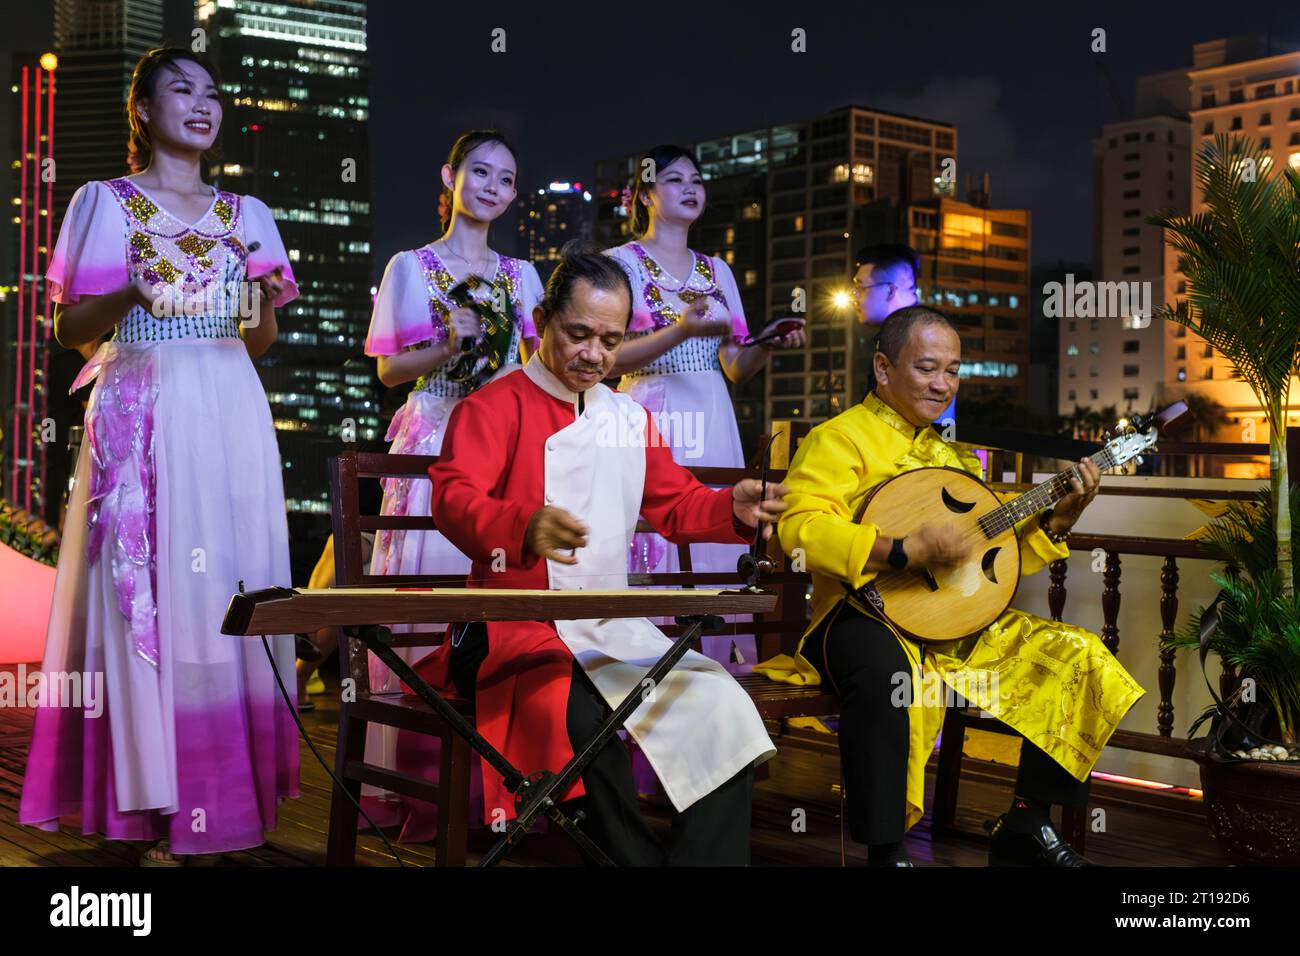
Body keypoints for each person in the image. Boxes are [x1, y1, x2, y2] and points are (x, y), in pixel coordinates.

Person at [410, 245, 786, 865]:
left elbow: (677, 506)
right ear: (541, 319)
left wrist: (732, 510)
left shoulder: (629, 418)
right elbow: (454, 500)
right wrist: (522, 524)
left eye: (611, 340)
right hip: (511, 628)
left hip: (611, 624)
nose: (594, 355)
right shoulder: (493, 406)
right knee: (587, 722)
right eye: (578, 333)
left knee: (717, 704)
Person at [19, 47, 300, 865]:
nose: (202, 104)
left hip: (231, 405)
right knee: (151, 593)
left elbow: (262, 336)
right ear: (142, 109)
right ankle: (152, 807)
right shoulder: (103, 202)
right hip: (144, 398)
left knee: (225, 587)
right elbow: (70, 329)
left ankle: (219, 802)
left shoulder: (250, 213)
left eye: (213, 93)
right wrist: (130, 295)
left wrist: (250, 290)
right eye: (182, 90)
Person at [755, 305, 1145, 867]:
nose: (943, 385)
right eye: (928, 368)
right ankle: (887, 851)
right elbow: (796, 531)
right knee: (892, 677)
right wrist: (897, 550)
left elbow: (982, 560)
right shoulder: (837, 439)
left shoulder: (953, 456)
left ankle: (1026, 822)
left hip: (945, 619)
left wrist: (1057, 522)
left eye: (954, 372)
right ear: (884, 369)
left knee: (1077, 654)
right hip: (855, 614)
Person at [360, 129, 543, 839]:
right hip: (434, 430)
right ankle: (420, 791)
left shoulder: (522, 275)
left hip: (498, 440)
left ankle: (494, 787)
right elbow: (389, 372)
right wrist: (444, 347)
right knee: (425, 602)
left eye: (506, 177)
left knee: (492, 602)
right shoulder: (412, 265)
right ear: (451, 175)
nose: (493, 186)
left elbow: (531, 366)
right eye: (480, 171)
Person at [605, 144, 804, 669]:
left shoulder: (718, 270)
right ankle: (639, 671)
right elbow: (606, 359)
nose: (691, 187)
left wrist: (767, 342)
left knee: (716, 526)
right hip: (646, 407)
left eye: (697, 179)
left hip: (713, 411)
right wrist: (681, 331)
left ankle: (716, 669)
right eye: (674, 180)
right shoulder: (617, 265)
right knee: (652, 532)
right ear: (644, 194)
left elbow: (735, 366)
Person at [854, 243, 954, 424]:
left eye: (860, 288)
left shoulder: (928, 339)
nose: (855, 297)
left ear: (890, 291)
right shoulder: (894, 338)